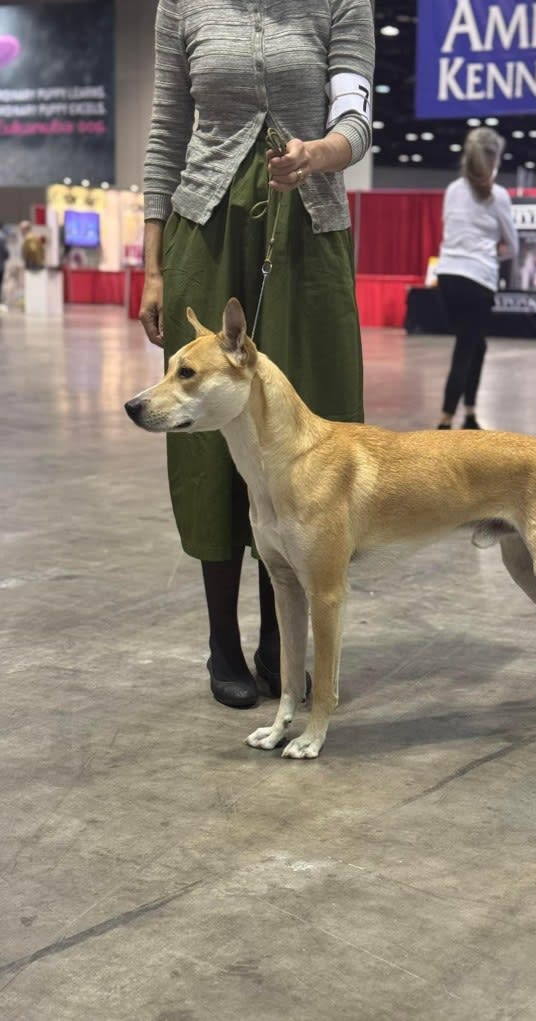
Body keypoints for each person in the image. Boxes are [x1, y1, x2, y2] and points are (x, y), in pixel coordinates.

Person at [139, 0, 374, 708]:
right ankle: (222, 641)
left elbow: (356, 119)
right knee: (207, 424)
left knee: (313, 433)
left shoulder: (341, 3)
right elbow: (166, 132)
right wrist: (152, 265)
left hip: (312, 227)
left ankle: (285, 639)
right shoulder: (182, 5)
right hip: (205, 231)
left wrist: (319, 154)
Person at [435, 128, 519, 430]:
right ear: (494, 159)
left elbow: (450, 229)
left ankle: (469, 414)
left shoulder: (452, 189)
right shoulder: (498, 196)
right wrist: (493, 257)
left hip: (447, 276)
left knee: (475, 345)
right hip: (477, 280)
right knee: (466, 347)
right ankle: (445, 421)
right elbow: (513, 245)